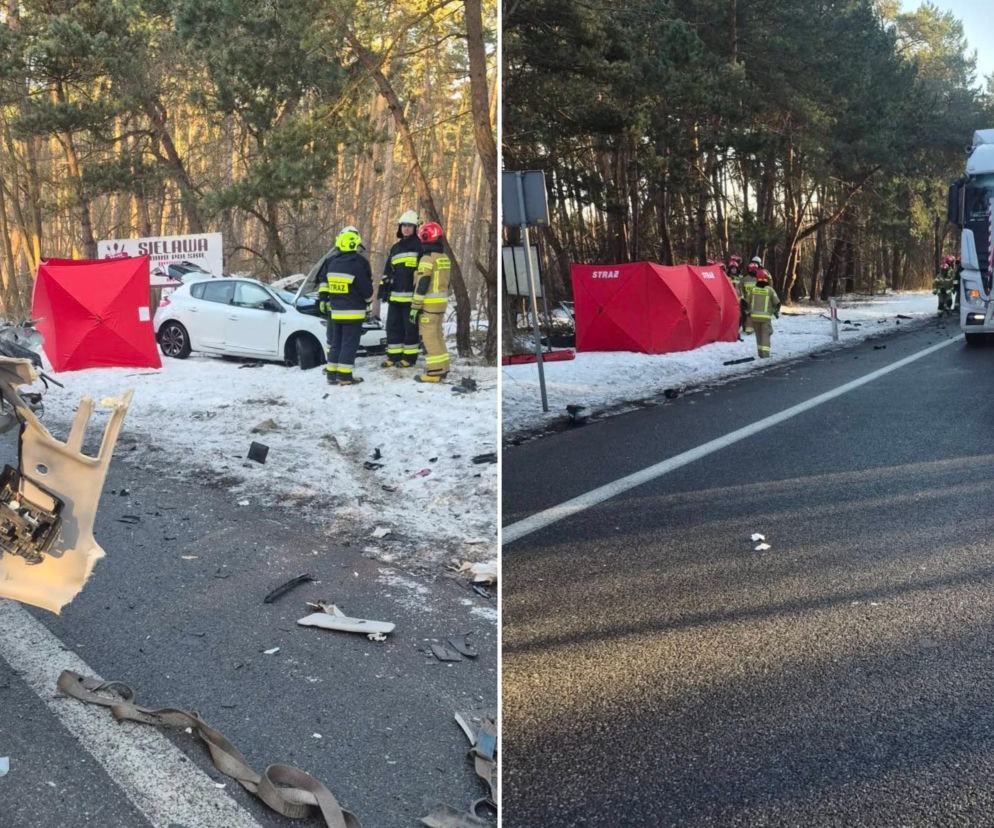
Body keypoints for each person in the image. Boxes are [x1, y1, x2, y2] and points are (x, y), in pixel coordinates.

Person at [317, 226, 373, 385]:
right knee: (349, 344)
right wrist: (368, 300)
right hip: (353, 312)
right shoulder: (358, 263)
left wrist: (323, 299)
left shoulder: (332, 262)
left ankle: (331, 375)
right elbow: (366, 289)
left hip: (335, 312)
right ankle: (345, 376)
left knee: (335, 344)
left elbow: (325, 283)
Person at [378, 210, 422, 367]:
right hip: (395, 297)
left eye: (410, 226)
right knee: (393, 327)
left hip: (412, 298)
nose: (407, 229)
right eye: (404, 226)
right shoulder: (395, 248)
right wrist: (383, 289)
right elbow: (388, 270)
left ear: (416, 228)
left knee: (410, 329)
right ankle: (393, 356)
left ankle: (409, 359)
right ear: (400, 227)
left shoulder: (420, 246)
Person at [409, 221, 451, 383]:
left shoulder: (427, 258)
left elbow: (422, 283)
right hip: (441, 304)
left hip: (429, 305)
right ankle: (444, 366)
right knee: (438, 336)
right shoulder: (444, 257)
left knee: (428, 337)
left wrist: (415, 306)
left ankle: (435, 371)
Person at [744, 262, 780, 358]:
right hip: (765, 319)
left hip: (754, 318)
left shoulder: (753, 289)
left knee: (758, 336)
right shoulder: (770, 290)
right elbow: (777, 303)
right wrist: (776, 312)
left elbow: (746, 302)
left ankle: (760, 354)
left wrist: (747, 313)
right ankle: (765, 355)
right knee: (765, 336)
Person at [726, 254, 747, 338]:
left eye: (735, 269)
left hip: (740, 300)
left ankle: (739, 329)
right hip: (730, 300)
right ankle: (733, 331)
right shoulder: (727, 278)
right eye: (732, 269)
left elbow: (743, 289)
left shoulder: (741, 278)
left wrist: (744, 299)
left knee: (742, 316)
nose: (733, 270)